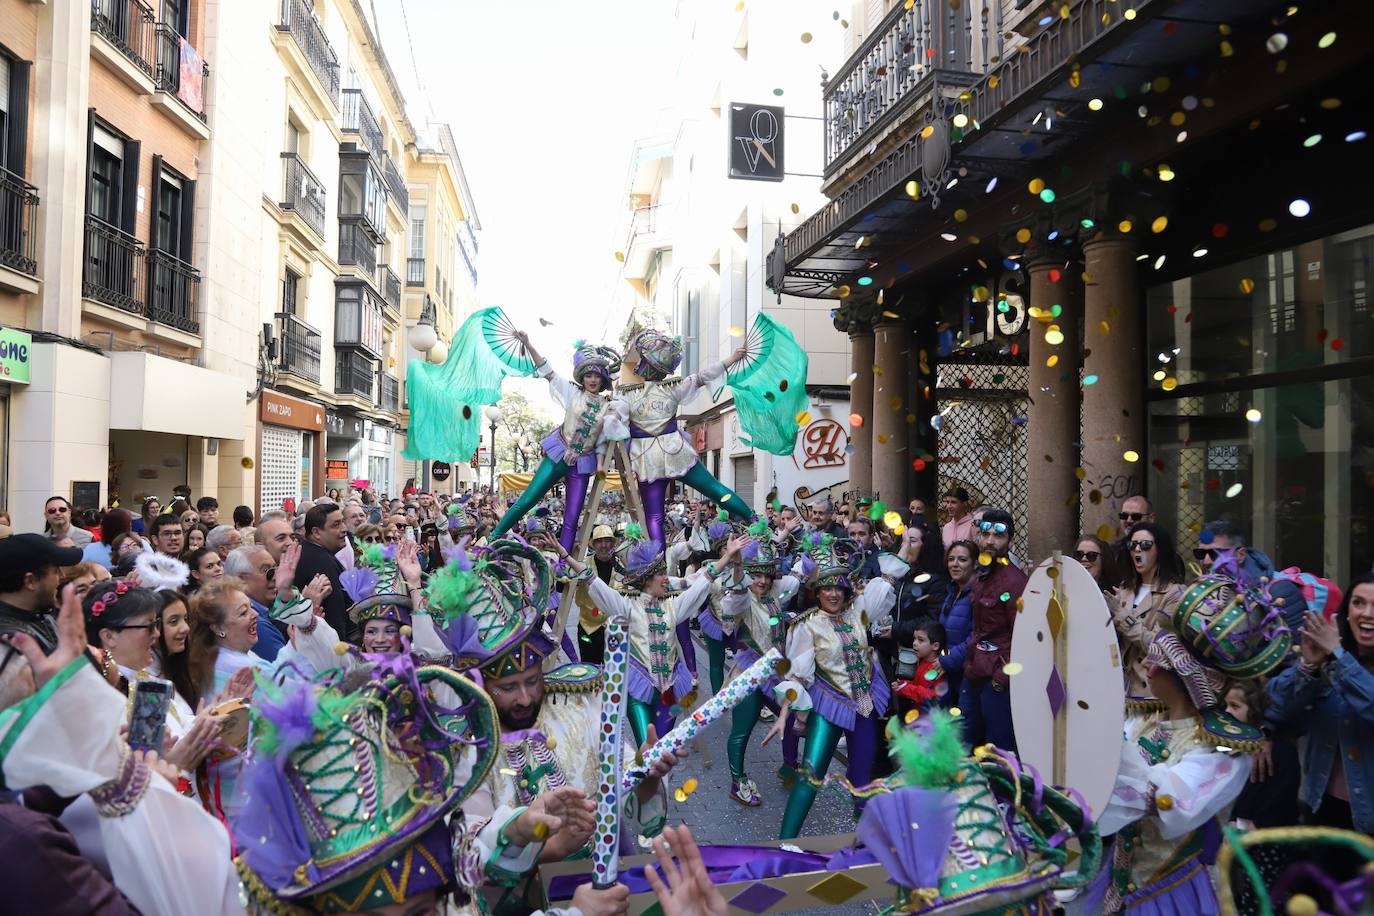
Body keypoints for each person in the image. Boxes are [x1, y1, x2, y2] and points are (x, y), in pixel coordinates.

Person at [1086, 580, 1290, 914]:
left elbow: (1169, 802)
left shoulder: (1220, 753)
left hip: (1169, 895)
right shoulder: (1143, 720)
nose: (1147, 666)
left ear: (1187, 679)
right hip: (1120, 885)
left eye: (1160, 662)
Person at [768, 534, 895, 838]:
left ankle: (865, 844)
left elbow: (882, 591)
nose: (834, 594)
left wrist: (899, 552)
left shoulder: (857, 612)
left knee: (863, 776)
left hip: (864, 704)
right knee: (811, 774)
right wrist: (787, 712)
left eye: (839, 586)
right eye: (827, 587)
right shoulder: (807, 625)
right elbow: (797, 675)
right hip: (829, 704)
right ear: (817, 591)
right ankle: (785, 843)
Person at [555, 534, 735, 745]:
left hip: (669, 688)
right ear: (648, 579)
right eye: (661, 574)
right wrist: (566, 556)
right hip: (638, 689)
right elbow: (593, 581)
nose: (666, 578)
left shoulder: (673, 606)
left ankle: (659, 779)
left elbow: (702, 584)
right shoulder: (626, 606)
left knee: (662, 750)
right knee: (647, 748)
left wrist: (727, 556)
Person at [491, 337, 629, 551]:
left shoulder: (608, 407)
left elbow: (602, 441)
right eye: (588, 375)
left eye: (597, 376)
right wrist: (529, 344)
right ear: (582, 378)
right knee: (528, 499)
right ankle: (494, 537)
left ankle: (563, 564)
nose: (592, 380)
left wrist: (601, 465)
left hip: (582, 463)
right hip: (558, 454)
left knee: (572, 517)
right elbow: (547, 371)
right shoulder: (573, 392)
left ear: (603, 380)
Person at [619, 329, 754, 547]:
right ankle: (753, 521)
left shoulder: (628, 393)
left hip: (651, 459)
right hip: (671, 454)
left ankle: (657, 568)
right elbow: (702, 377)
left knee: (657, 515)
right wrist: (731, 359)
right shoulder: (659, 390)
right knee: (715, 490)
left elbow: (613, 421)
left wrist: (732, 359)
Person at [1266, 574, 1374, 833]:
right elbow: (1278, 709)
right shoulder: (1330, 662)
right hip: (1321, 810)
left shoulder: (1339, 662)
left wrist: (1338, 655)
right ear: (1346, 613)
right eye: (1358, 603)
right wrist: (1308, 666)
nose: (1367, 613)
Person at [713, 527, 801, 806]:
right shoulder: (741, 597)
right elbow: (733, 600)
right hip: (749, 675)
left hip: (777, 675)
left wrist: (810, 556)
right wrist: (738, 568)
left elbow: (796, 581)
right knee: (743, 730)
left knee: (795, 721)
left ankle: (789, 765)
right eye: (757, 574)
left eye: (766, 575)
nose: (762, 581)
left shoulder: (774, 593)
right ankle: (737, 781)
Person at [959, 509, 1027, 751]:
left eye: (997, 536)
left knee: (997, 750)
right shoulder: (981, 576)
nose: (989, 541)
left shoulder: (1015, 582)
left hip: (996, 680)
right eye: (985, 534)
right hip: (975, 671)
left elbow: (1023, 637)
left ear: (1009, 540)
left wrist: (1001, 678)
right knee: (965, 745)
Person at [1110, 522, 1187, 699]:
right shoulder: (1124, 590)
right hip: (1120, 689)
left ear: (1160, 551)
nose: (1137, 550)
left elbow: (1161, 645)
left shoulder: (1175, 593)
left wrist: (1123, 618)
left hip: (1151, 693)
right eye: (1132, 545)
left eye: (1145, 545)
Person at [1226, 679, 1300, 830]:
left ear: (1255, 710)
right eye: (1226, 705)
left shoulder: (1277, 750)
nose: (1227, 711)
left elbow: (1280, 799)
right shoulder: (1234, 745)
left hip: (1266, 837)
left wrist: (1247, 825)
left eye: (1234, 706)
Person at [886, 520, 950, 682]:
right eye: (903, 541)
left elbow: (932, 619)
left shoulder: (936, 581)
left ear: (926, 546)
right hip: (895, 652)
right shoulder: (901, 576)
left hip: (922, 657)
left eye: (912, 541)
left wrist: (896, 628)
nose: (906, 546)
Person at [223, 545, 289, 662]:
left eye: (275, 569)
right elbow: (289, 670)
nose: (275, 577)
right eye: (266, 571)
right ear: (240, 580)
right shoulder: (254, 623)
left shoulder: (271, 607)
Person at [294, 502, 351, 638]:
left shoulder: (313, 552)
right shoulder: (320, 562)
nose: (344, 529)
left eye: (343, 522)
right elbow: (335, 615)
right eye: (336, 525)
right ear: (316, 532)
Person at [892, 618, 946, 712]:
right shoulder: (922, 661)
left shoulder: (937, 669)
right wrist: (903, 684)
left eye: (920, 640)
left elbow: (934, 697)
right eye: (914, 639)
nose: (914, 643)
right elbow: (917, 683)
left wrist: (907, 689)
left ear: (935, 646)